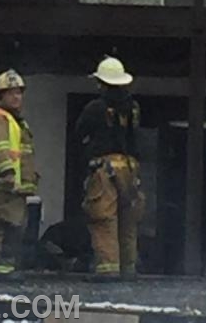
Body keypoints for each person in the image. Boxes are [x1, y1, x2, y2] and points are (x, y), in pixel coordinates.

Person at [75, 55, 144, 279]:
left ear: (102, 83)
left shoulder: (95, 107)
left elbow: (80, 133)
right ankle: (128, 269)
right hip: (130, 170)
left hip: (104, 171)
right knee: (128, 221)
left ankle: (108, 270)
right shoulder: (133, 108)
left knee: (103, 218)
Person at [0, 69, 38, 274]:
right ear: (0, 95)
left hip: (12, 191)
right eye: (10, 92)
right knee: (1, 234)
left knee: (13, 233)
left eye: (19, 92)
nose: (16, 96)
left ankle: (6, 272)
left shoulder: (15, 121)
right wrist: (8, 173)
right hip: (1, 188)